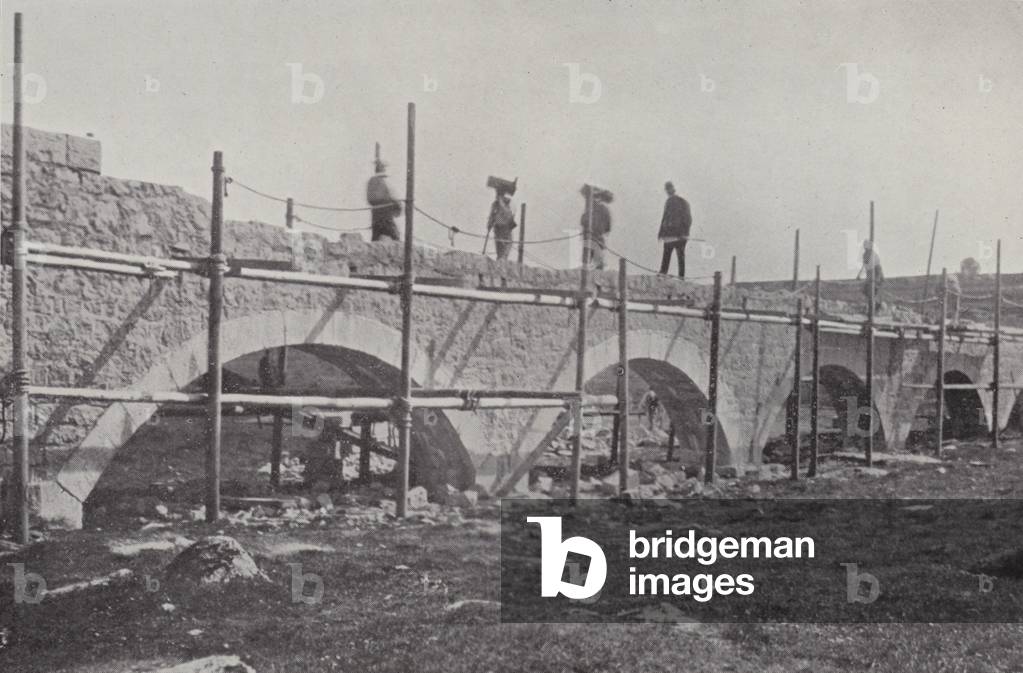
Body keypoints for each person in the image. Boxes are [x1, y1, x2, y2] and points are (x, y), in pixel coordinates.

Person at [658, 181, 692, 277]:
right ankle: (665, 273)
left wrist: (684, 233)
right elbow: (665, 218)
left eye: (669, 189)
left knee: (677, 255)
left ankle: (680, 276)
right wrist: (661, 233)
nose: (668, 191)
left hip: (678, 235)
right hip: (672, 235)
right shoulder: (670, 202)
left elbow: (687, 218)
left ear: (673, 189)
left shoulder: (681, 202)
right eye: (667, 189)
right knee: (669, 254)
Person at [366, 159, 402, 241]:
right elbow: (380, 198)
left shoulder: (373, 182)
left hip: (377, 215)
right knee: (395, 236)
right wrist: (395, 202)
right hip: (385, 216)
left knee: (376, 237)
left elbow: (371, 199)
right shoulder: (379, 182)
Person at [581, 188, 612, 270]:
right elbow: (607, 228)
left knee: (588, 262)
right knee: (596, 263)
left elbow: (583, 222)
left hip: (591, 238)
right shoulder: (604, 210)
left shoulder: (591, 209)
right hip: (596, 239)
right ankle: (595, 279)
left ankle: (592, 279)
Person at [487, 192, 517, 260]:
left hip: (505, 228)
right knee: (501, 249)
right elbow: (492, 215)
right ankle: (501, 259)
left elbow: (510, 214)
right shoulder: (495, 204)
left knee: (505, 248)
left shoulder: (508, 203)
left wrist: (490, 223)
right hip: (499, 228)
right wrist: (489, 224)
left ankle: (501, 259)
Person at [856, 240, 884, 312]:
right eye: (864, 245)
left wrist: (880, 276)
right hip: (871, 274)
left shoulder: (873, 254)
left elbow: (877, 266)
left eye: (866, 245)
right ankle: (874, 306)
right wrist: (859, 275)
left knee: (873, 290)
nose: (865, 247)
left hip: (876, 273)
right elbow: (864, 265)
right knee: (866, 290)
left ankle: (876, 306)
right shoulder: (865, 254)